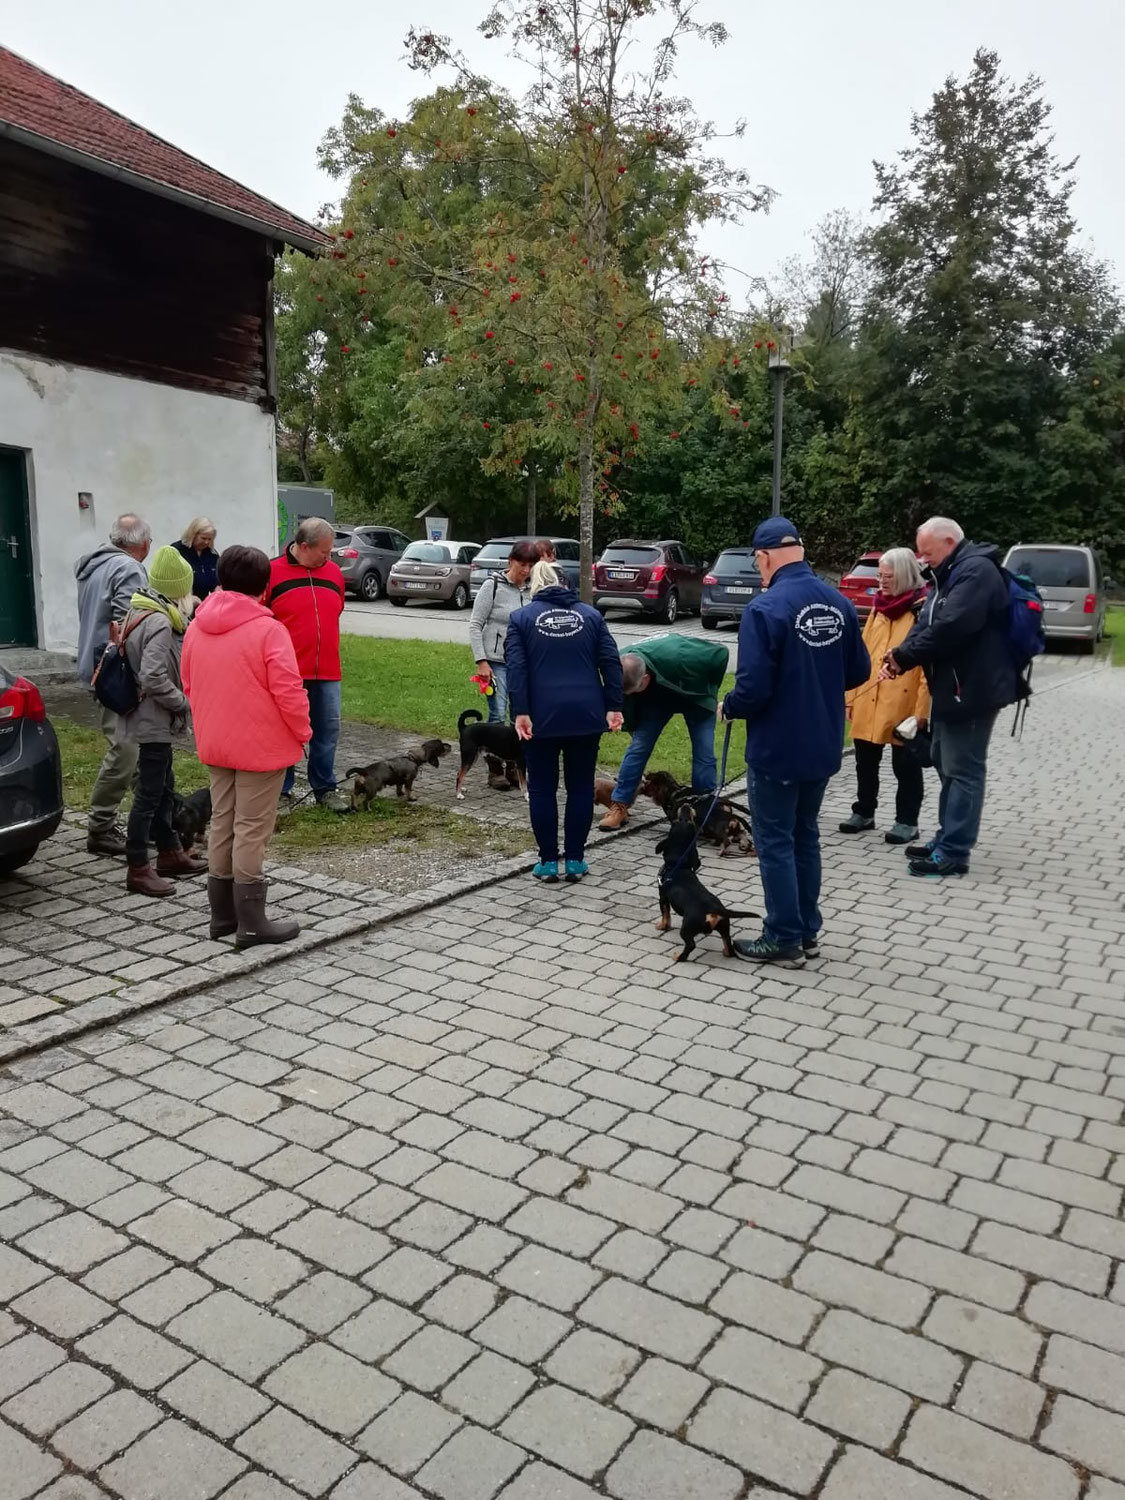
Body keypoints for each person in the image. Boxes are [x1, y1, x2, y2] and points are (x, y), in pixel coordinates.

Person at [720, 516, 869, 967]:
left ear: (763, 557)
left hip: (779, 746)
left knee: (775, 840)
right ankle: (806, 930)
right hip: (823, 742)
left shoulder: (764, 609)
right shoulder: (838, 601)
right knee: (805, 834)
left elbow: (754, 688)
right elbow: (859, 671)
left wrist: (730, 704)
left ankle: (783, 936)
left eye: (757, 563)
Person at [183, 546, 312, 947]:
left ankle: (222, 916)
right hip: (261, 745)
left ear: (220, 578)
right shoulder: (268, 630)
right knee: (252, 829)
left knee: (223, 821)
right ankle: (252, 922)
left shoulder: (196, 625)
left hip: (216, 740)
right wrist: (304, 731)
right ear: (265, 585)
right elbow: (289, 692)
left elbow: (188, 682)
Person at [880, 516, 1020, 878]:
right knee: (944, 761)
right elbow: (926, 623)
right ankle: (945, 837)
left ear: (948, 542)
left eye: (926, 551)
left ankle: (955, 851)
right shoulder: (948, 574)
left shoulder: (976, 573)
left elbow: (951, 627)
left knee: (963, 769)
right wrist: (899, 656)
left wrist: (905, 657)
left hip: (972, 689)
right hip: (951, 687)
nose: (921, 558)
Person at [505, 560, 624, 884]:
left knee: (542, 788)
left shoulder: (520, 619)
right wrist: (613, 706)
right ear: (566, 584)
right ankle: (574, 860)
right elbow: (611, 663)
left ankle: (547, 862)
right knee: (580, 788)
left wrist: (521, 711)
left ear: (535, 586)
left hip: (540, 716)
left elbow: (516, 670)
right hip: (586, 715)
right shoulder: (592, 616)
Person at [117, 546, 207, 897]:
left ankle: (170, 852)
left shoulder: (142, 609)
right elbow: (153, 677)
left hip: (147, 718)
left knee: (164, 784)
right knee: (150, 794)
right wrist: (183, 703)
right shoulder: (157, 621)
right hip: (152, 719)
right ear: (178, 589)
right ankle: (138, 866)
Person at [841, 547, 931, 845]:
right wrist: (851, 697)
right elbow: (863, 653)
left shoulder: (922, 610)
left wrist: (922, 712)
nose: (881, 581)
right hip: (870, 695)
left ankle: (907, 821)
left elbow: (927, 667)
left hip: (903, 701)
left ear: (904, 576)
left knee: (905, 766)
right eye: (879, 575)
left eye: (887, 577)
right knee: (864, 760)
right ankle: (864, 811)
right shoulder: (879, 608)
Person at [74, 514, 152, 857]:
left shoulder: (94, 566)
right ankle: (101, 827)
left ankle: (151, 818)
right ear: (144, 543)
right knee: (125, 748)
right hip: (116, 673)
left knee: (132, 749)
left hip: (95, 667)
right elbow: (126, 626)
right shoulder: (128, 569)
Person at [598, 636, 729, 830]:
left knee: (704, 752)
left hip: (695, 698)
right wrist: (630, 723)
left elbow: (722, 654)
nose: (632, 696)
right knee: (638, 747)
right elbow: (623, 699)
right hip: (657, 700)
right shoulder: (620, 664)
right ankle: (620, 805)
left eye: (636, 690)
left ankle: (706, 810)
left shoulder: (683, 656)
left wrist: (708, 689)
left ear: (645, 678)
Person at [267, 517, 349, 812]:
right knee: (286, 731)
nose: (329, 558)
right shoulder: (272, 573)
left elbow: (336, 610)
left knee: (327, 731)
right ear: (303, 546)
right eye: (324, 552)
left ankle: (325, 788)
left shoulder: (334, 575)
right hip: (288, 672)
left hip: (328, 670)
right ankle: (282, 791)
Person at [469, 540, 537, 722]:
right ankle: (492, 750)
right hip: (496, 661)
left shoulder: (534, 590)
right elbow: (475, 624)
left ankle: (518, 750)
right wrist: (481, 661)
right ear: (510, 561)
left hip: (523, 663)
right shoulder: (492, 585)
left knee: (521, 715)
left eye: (531, 566)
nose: (526, 570)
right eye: (522, 564)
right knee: (498, 714)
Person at [171, 517, 220, 601]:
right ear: (193, 535)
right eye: (203, 538)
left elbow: (217, 579)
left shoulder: (212, 554)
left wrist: (218, 588)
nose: (206, 542)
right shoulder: (176, 551)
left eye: (210, 539)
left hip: (203, 605)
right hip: (181, 604)